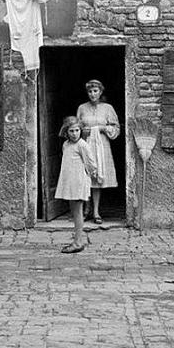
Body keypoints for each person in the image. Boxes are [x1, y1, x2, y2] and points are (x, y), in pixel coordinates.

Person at [76, 80, 120, 224]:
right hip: (86, 144)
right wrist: (83, 132)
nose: (92, 94)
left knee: (96, 177)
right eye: (90, 91)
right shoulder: (82, 108)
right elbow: (77, 127)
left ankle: (95, 212)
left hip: (101, 145)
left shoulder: (108, 108)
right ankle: (85, 209)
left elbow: (116, 128)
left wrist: (103, 128)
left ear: (100, 92)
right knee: (85, 176)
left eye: (95, 91)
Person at [54, 116, 97, 254]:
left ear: (81, 131)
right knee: (74, 211)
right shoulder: (66, 145)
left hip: (78, 181)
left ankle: (78, 242)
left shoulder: (82, 145)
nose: (74, 134)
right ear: (66, 132)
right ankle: (77, 239)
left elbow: (91, 164)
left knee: (78, 212)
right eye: (71, 131)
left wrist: (88, 177)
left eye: (77, 130)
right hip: (69, 181)